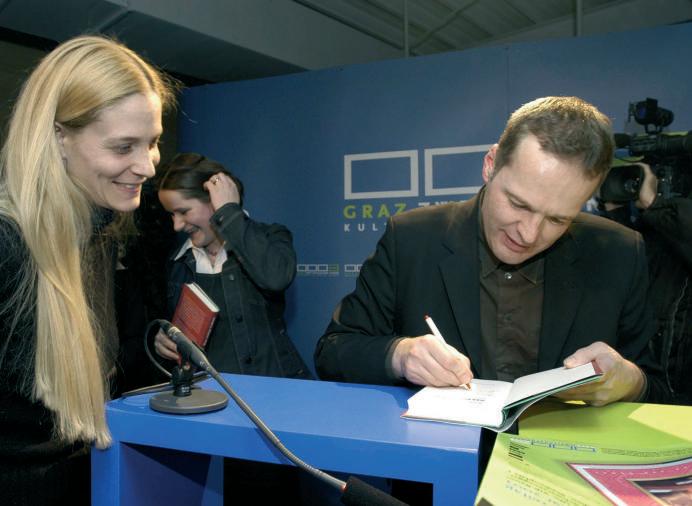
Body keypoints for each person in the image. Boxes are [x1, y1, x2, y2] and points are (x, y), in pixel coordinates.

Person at [315, 96, 667, 404]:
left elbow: (660, 387)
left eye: (558, 219)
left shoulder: (620, 252)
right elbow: (334, 351)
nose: (529, 234)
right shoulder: (411, 238)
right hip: (441, 456)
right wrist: (400, 355)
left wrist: (631, 382)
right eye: (518, 204)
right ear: (490, 164)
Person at [0, 35, 175, 505]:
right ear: (60, 138)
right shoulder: (7, 245)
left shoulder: (100, 234)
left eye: (153, 143)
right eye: (123, 147)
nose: (147, 166)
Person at [154, 152, 310, 505]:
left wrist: (229, 213)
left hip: (274, 407)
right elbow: (178, 325)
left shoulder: (270, 237)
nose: (176, 225)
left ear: (215, 200)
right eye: (171, 215)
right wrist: (166, 339)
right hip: (211, 410)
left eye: (183, 211)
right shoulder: (178, 261)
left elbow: (276, 276)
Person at [599, 162, 691, 405]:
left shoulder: (668, 217)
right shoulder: (656, 227)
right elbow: (625, 271)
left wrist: (655, 204)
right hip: (646, 379)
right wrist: (616, 214)